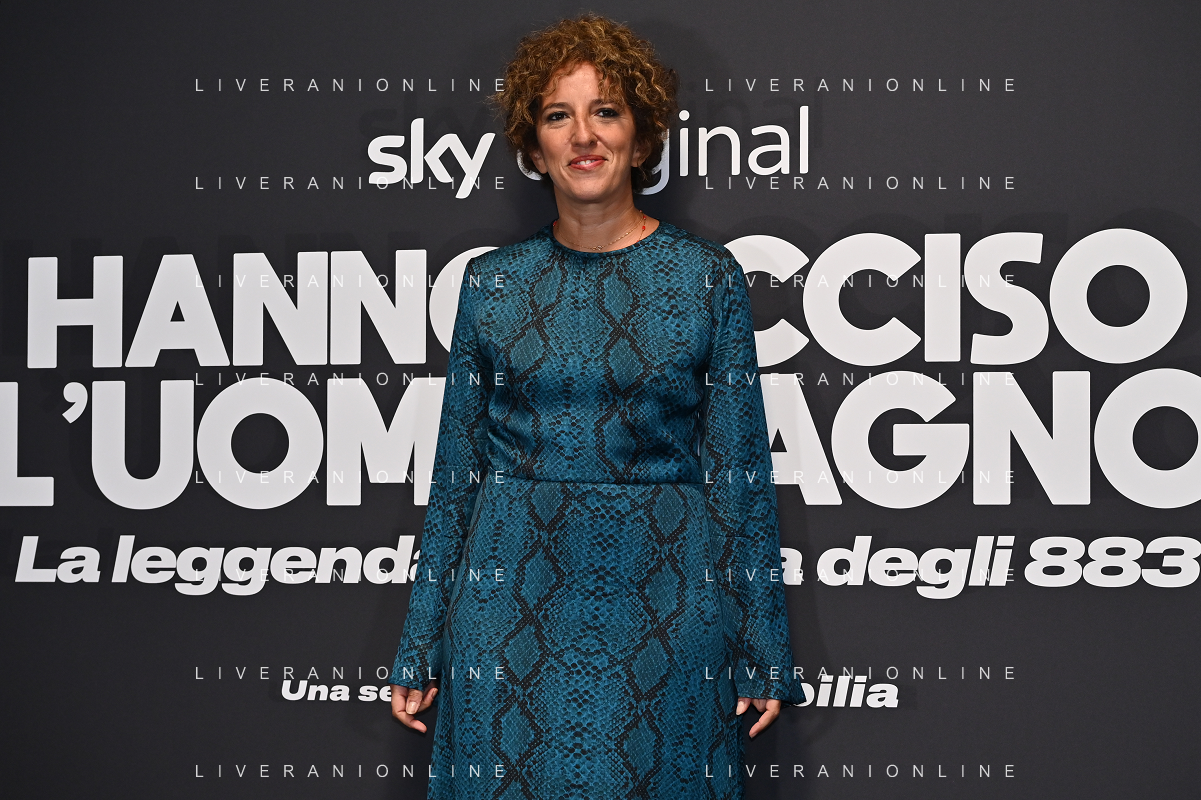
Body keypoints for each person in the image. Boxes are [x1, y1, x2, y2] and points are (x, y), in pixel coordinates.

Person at [389, 13, 805, 799]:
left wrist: (763, 645)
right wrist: (420, 642)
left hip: (665, 601)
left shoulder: (706, 278)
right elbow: (455, 474)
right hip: (507, 602)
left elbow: (739, 473)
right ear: (533, 145)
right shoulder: (491, 283)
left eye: (605, 111)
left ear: (640, 140)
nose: (583, 135)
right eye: (558, 115)